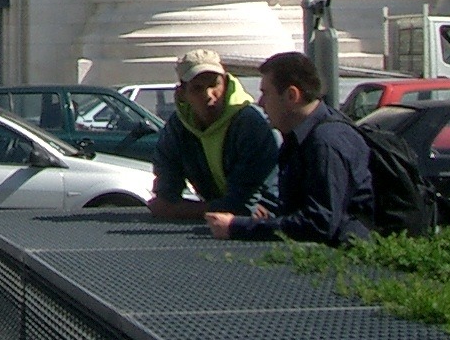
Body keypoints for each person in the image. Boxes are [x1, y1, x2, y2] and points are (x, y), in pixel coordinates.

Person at [208, 52, 373, 248]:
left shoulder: (326, 142)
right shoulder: (301, 137)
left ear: (292, 95)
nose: (260, 102)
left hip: (344, 258)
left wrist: (237, 226)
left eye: (266, 93)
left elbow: (319, 224)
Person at [147, 48, 280, 220]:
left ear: (226, 84)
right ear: (182, 93)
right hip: (217, 223)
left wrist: (180, 210)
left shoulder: (251, 124)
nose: (209, 95)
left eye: (214, 84)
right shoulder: (177, 128)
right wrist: (173, 206)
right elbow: (165, 196)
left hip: (273, 219)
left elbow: (246, 206)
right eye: (197, 88)